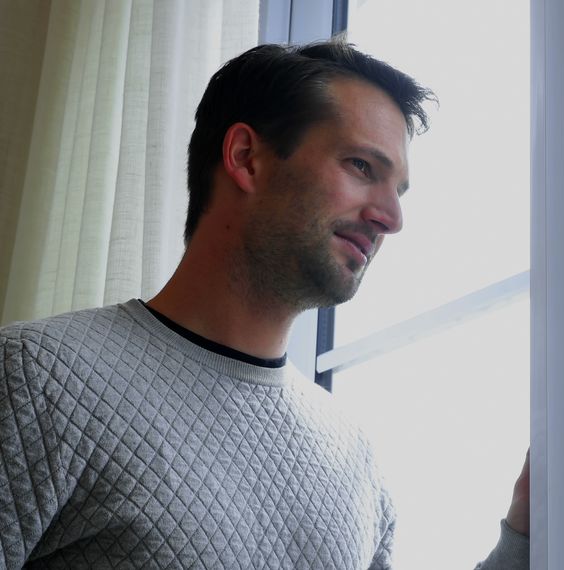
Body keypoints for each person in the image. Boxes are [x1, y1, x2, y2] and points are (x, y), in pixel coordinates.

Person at [0, 40, 529, 569]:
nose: (391, 217)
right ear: (246, 159)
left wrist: (523, 540)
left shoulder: (354, 459)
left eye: (399, 190)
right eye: (362, 167)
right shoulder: (34, 376)